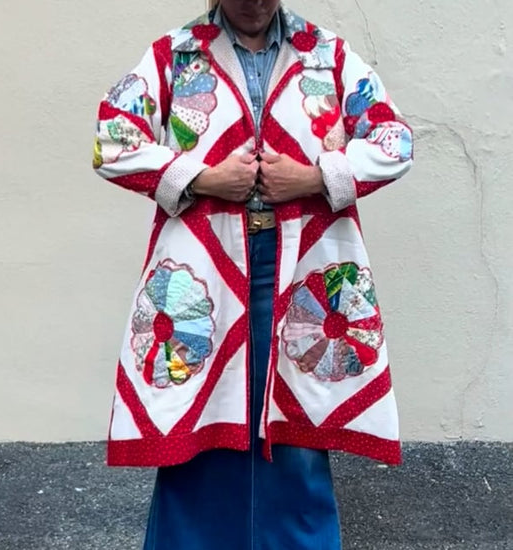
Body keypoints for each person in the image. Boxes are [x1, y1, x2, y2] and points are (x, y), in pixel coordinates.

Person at [93, 0, 413, 548]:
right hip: (205, 270)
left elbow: (396, 140)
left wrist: (316, 177)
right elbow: (111, 140)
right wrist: (202, 178)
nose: (255, 3)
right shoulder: (176, 55)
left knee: (296, 431)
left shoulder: (326, 55)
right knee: (200, 429)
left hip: (303, 272)